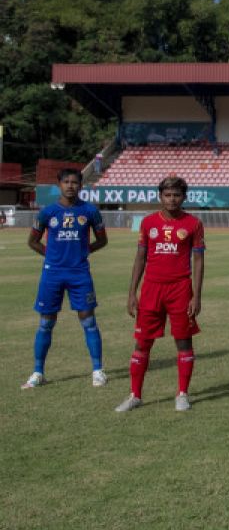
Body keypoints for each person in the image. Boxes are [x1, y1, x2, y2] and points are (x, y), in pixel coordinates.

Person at [115, 176, 205, 412]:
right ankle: (135, 394)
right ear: (160, 196)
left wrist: (196, 295)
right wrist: (132, 293)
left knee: (183, 341)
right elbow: (140, 257)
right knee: (142, 343)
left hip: (180, 289)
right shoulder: (148, 223)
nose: (172, 199)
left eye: (176, 195)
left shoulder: (193, 224)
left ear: (184, 197)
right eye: (167, 195)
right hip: (151, 289)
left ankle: (182, 394)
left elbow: (198, 260)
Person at [24, 168, 108, 390]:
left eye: (75, 182)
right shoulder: (47, 212)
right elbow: (32, 241)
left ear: (81, 185)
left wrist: (84, 251)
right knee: (46, 323)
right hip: (52, 273)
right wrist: (51, 255)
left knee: (88, 321)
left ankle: (98, 371)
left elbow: (102, 240)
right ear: (59, 184)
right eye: (66, 182)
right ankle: (38, 372)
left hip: (79, 273)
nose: (70, 185)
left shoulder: (90, 211)